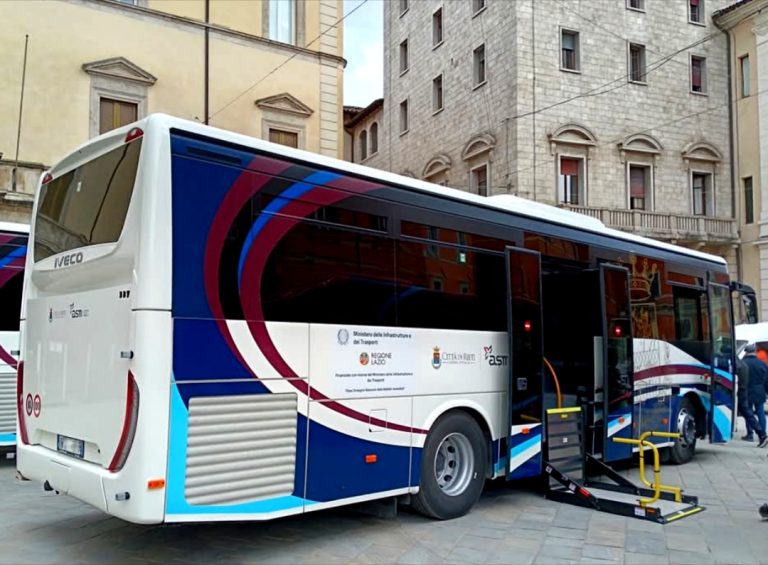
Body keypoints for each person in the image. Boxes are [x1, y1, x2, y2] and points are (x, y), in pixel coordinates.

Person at [742, 343, 768, 448]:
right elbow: (767, 380)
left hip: (747, 391)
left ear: (747, 352)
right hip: (759, 391)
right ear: (754, 352)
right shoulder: (762, 364)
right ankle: (763, 433)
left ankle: (750, 434)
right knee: (760, 412)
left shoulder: (743, 363)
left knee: (748, 413)